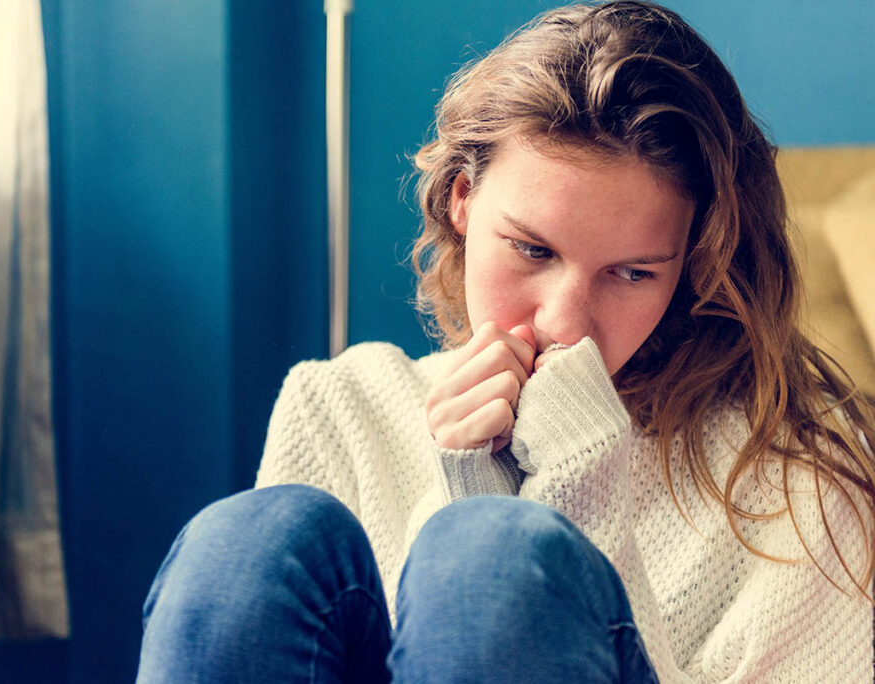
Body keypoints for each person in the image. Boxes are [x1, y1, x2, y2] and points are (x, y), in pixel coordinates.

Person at [136, 1, 875, 682]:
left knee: (492, 557)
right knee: (252, 538)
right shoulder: (342, 404)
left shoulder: (792, 474)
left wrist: (575, 508)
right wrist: (461, 488)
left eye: (631, 273)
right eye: (532, 250)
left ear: (694, 266)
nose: (563, 322)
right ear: (463, 200)